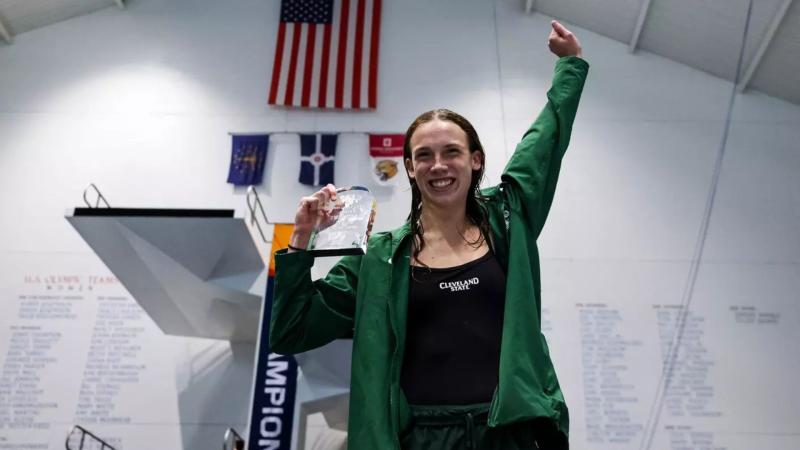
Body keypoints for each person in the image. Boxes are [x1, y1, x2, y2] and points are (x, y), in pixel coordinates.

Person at [270, 20, 588, 450]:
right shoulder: (379, 258)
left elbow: (544, 142)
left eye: (452, 152)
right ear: (409, 167)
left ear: (476, 160)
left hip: (508, 432)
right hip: (421, 439)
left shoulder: (508, 219)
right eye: (424, 155)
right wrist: (300, 241)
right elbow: (291, 332)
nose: (438, 165)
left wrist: (569, 66)